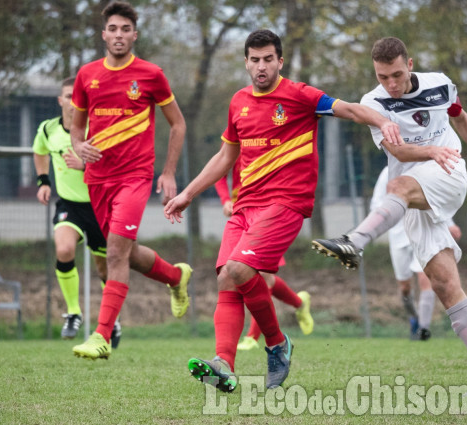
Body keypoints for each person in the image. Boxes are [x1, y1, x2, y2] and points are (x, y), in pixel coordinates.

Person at [164, 29, 403, 392]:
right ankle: (224, 365)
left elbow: (349, 109)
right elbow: (225, 156)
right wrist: (188, 194)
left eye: (268, 59)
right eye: (255, 60)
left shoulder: (301, 96)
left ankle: (276, 343)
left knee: (239, 269)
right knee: (226, 278)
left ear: (280, 61)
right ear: (246, 62)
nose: (261, 67)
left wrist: (382, 121)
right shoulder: (238, 102)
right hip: (246, 206)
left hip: (286, 204)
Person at [312, 37, 467, 396]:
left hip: (448, 171)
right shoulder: (375, 102)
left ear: (411, 64)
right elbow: (397, 149)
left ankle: (354, 242)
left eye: (397, 75)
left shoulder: (439, 83)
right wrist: (428, 149)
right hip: (414, 192)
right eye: (383, 76)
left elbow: (461, 120)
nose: (391, 83)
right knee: (443, 284)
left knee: (398, 186)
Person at [70, 1, 191, 360]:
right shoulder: (86, 75)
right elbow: (77, 126)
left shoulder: (151, 74)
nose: (119, 35)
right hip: (97, 179)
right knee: (126, 252)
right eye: (113, 29)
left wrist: (168, 172)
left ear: (134, 35)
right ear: (104, 34)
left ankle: (102, 336)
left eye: (126, 29)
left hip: (135, 177)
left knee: (115, 252)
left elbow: (178, 124)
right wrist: (79, 146)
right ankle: (175, 277)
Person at [33, 76, 121, 346]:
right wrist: (44, 181)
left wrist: (84, 165)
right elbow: (39, 151)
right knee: (64, 250)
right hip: (69, 204)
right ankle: (73, 313)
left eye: (77, 96)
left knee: (105, 270)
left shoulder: (97, 130)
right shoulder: (48, 130)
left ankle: (111, 322)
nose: (73, 101)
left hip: (99, 205)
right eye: (68, 96)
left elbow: (114, 166)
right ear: (60, 100)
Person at [214, 159, 314, 351]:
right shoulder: (241, 138)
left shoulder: (276, 143)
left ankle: (253, 337)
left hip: (271, 213)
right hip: (243, 211)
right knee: (236, 274)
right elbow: (220, 167)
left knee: (263, 277)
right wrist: (225, 200)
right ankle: (300, 303)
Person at [371, 166, 461, 341]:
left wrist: (450, 223)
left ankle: (423, 329)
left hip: (421, 233)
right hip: (398, 236)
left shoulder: (425, 169)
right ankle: (414, 319)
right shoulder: (388, 173)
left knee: (425, 279)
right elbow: (376, 204)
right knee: (405, 288)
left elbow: (435, 201)